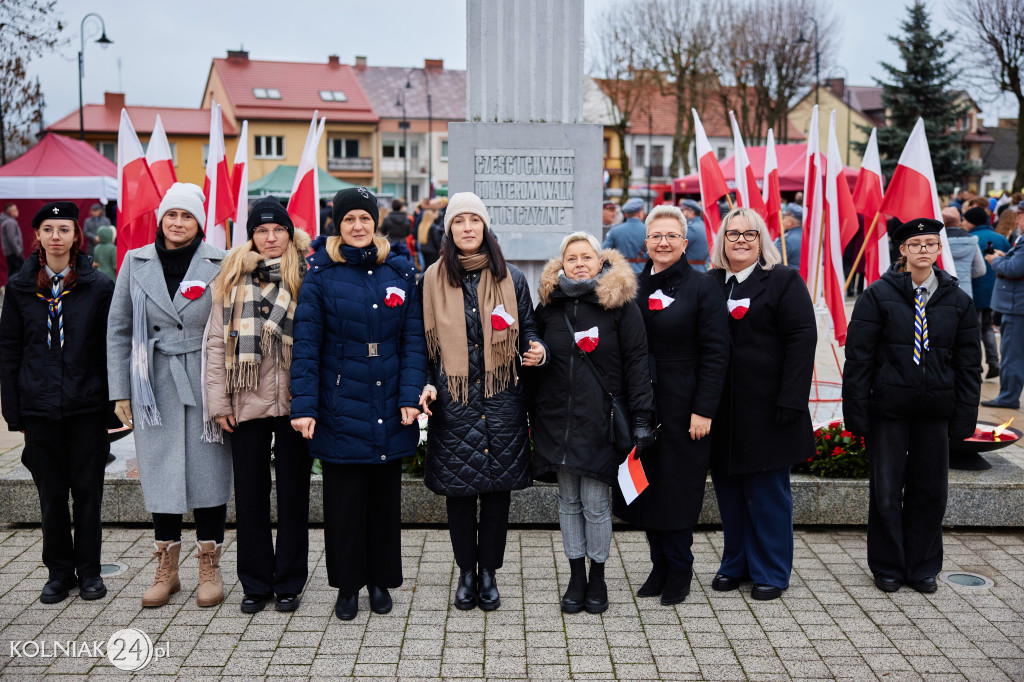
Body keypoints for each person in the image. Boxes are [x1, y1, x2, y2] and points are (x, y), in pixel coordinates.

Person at [290, 186, 425, 621]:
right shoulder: (321, 274)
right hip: (339, 399)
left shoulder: (400, 272)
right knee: (344, 503)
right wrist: (305, 406)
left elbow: (413, 341)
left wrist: (410, 396)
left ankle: (381, 582)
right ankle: (347, 586)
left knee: (384, 502)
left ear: (376, 222)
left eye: (365, 218)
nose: (358, 226)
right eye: (350, 219)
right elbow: (307, 346)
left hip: (389, 398)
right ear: (337, 225)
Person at [418, 192, 546, 612]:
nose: (468, 227)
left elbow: (528, 327)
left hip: (503, 399)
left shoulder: (511, 278)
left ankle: (489, 571)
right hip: (454, 402)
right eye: (459, 221)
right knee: (459, 493)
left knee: (496, 494)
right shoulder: (431, 279)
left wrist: (536, 348)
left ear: (485, 227)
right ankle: (466, 573)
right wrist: (423, 384)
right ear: (449, 230)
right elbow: (420, 344)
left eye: (475, 220)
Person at [107, 182, 232, 609]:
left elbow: (232, 327)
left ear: (199, 221)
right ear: (160, 218)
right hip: (152, 383)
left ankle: (209, 565)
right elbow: (119, 328)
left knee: (208, 471)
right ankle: (167, 568)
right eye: (171, 215)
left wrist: (230, 389)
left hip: (204, 378)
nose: (178, 223)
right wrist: (120, 389)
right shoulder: (134, 261)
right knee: (160, 472)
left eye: (187, 216)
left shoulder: (222, 261)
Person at [844, 218, 981, 593]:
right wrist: (856, 413)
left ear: (939, 250)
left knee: (930, 492)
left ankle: (922, 567)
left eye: (931, 243)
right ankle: (887, 566)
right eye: (916, 243)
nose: (924, 249)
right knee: (886, 492)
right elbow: (859, 358)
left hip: (934, 412)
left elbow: (969, 364)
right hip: (888, 410)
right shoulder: (877, 295)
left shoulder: (958, 301)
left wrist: (964, 417)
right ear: (902, 250)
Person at [531, 232, 655, 614]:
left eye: (587, 257)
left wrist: (642, 418)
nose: (580, 263)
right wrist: (539, 353)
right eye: (572, 258)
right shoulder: (549, 306)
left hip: (600, 420)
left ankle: (598, 576)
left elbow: (637, 363)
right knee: (568, 501)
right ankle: (575, 577)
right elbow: (535, 345)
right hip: (558, 420)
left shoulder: (619, 306)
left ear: (600, 262)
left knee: (596, 504)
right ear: (562, 264)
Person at [615, 205, 730, 605]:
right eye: (656, 236)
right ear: (645, 242)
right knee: (646, 487)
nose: (663, 243)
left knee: (678, 490)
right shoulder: (630, 284)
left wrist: (705, 409)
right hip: (641, 403)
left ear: (685, 242)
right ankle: (659, 564)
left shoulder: (703, 287)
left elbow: (717, 353)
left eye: (671, 236)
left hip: (684, 405)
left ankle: (680, 568)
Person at [0, 202, 113, 604]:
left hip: (85, 406)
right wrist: (13, 410)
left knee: (87, 493)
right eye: (48, 229)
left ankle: (91, 573)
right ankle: (58, 574)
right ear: (39, 236)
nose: (56, 236)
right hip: (39, 408)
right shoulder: (19, 287)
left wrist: (111, 407)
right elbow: (10, 349)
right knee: (50, 496)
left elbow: (107, 349)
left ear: (76, 236)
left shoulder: (98, 287)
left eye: (64, 229)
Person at [204, 198, 312, 614]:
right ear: (251, 236)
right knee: (249, 496)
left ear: (289, 234)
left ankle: (288, 582)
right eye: (261, 231)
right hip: (244, 400)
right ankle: (254, 583)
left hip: (293, 402)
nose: (270, 238)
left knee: (293, 495)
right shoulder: (230, 279)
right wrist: (218, 402)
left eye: (278, 230)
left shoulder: (306, 276)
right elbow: (215, 345)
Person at [708, 208, 816, 601]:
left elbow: (802, 340)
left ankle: (771, 569)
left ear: (761, 240)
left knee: (768, 493)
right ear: (722, 240)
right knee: (730, 491)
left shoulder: (784, 280)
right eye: (732, 234)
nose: (740, 240)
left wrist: (792, 399)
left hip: (770, 408)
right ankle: (735, 563)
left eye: (748, 234)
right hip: (723, 410)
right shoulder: (711, 283)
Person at [983, 219, 1024, 409]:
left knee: (1011, 355)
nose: (1017, 220)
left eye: (1021, 215)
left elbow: (1014, 269)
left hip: (1017, 306)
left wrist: (995, 260)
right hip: (1016, 305)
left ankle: (1008, 397)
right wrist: (1004, 257)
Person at [941, 207, 986, 301]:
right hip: (965, 292)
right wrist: (965, 273)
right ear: (959, 221)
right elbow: (981, 270)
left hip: (941, 291)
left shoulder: (936, 241)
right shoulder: (971, 240)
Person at [603, 197, 647, 273]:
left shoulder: (614, 230)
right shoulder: (649, 230)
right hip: (644, 273)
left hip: (622, 273)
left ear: (626, 214)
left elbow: (604, 252)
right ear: (640, 212)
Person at [678, 199, 709, 272]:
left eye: (683, 210)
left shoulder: (691, 228)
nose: (681, 213)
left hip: (691, 270)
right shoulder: (702, 225)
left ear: (691, 212)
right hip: (701, 269)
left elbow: (677, 247)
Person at [772, 205, 803, 271]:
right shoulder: (807, 237)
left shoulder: (786, 240)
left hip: (791, 279)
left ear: (790, 221)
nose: (782, 221)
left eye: (784, 218)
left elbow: (772, 263)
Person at [2, 202, 24, 276]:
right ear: (11, 212)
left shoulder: (9, 221)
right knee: (20, 269)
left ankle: (10, 286)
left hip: (11, 252)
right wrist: (17, 251)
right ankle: (15, 286)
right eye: (16, 210)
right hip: (14, 252)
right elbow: (12, 238)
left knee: (12, 271)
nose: (18, 211)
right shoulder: (10, 222)